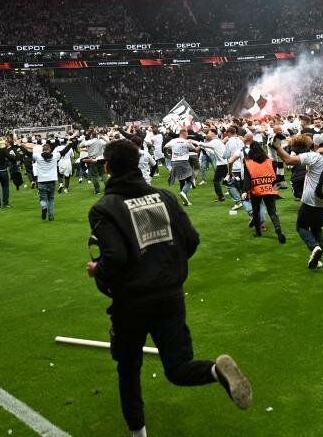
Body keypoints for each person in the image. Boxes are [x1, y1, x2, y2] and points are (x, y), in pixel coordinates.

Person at [85, 139, 252, 437]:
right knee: (177, 367)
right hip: (169, 294)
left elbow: (115, 257)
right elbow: (192, 240)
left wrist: (98, 269)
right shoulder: (164, 197)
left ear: (107, 167)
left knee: (129, 369)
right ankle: (216, 371)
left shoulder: (105, 207)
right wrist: (167, 267)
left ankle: (138, 432)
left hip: (132, 302)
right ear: (138, 163)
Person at [271, 131, 323, 269]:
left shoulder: (313, 157)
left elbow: (288, 160)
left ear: (314, 145)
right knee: (317, 228)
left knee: (301, 227)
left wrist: (277, 146)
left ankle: (314, 247)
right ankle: (317, 259)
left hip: (311, 201)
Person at [242, 141, 286, 243]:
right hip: (269, 189)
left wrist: (245, 190)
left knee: (256, 212)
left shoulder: (248, 162)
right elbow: (275, 175)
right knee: (272, 212)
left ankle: (258, 232)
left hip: (256, 190)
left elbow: (247, 178)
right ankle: (278, 230)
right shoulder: (269, 161)